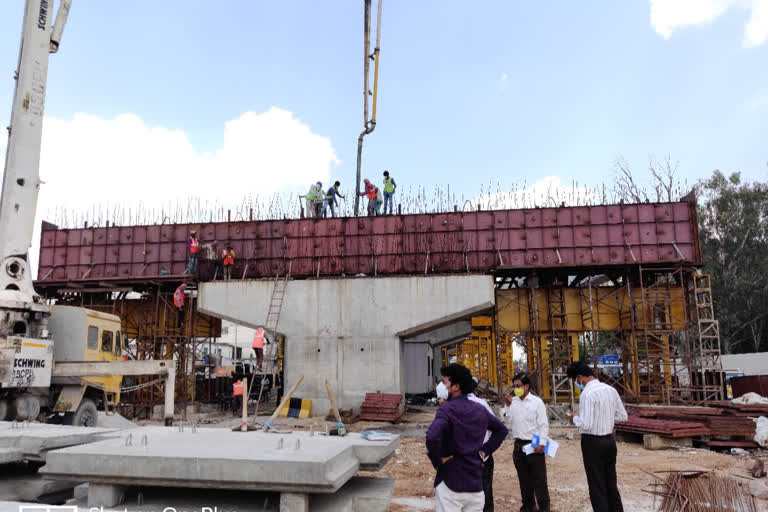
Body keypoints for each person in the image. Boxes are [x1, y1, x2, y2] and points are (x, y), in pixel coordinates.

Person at [426, 363, 508, 512]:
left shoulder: (447, 409)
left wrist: (437, 460)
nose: (442, 387)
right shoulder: (480, 409)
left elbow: (432, 436)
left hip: (450, 484)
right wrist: (485, 451)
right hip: (475, 485)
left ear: (456, 386)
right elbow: (501, 430)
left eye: (445, 383)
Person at [567, 361, 628, 512]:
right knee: (610, 482)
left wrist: (574, 418)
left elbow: (586, 424)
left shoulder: (587, 394)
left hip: (592, 442)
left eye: (575, 380)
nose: (576, 383)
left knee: (597, 485)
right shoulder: (610, 390)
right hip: (609, 441)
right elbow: (623, 416)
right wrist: (606, 418)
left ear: (580, 377)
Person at [500, 373, 550, 512]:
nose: (516, 389)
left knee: (539, 480)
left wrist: (542, 442)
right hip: (519, 445)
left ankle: (544, 508)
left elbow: (543, 424)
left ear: (526, 386)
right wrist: (508, 406)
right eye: (514, 386)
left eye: (519, 386)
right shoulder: (513, 402)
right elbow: (506, 422)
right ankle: (528, 507)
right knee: (524, 481)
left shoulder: (536, 402)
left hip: (534, 444)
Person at [467, 378, 497, 512]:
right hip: (482, 455)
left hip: (464, 457)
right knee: (485, 489)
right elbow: (497, 428)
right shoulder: (482, 404)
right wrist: (487, 449)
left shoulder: (453, 405)